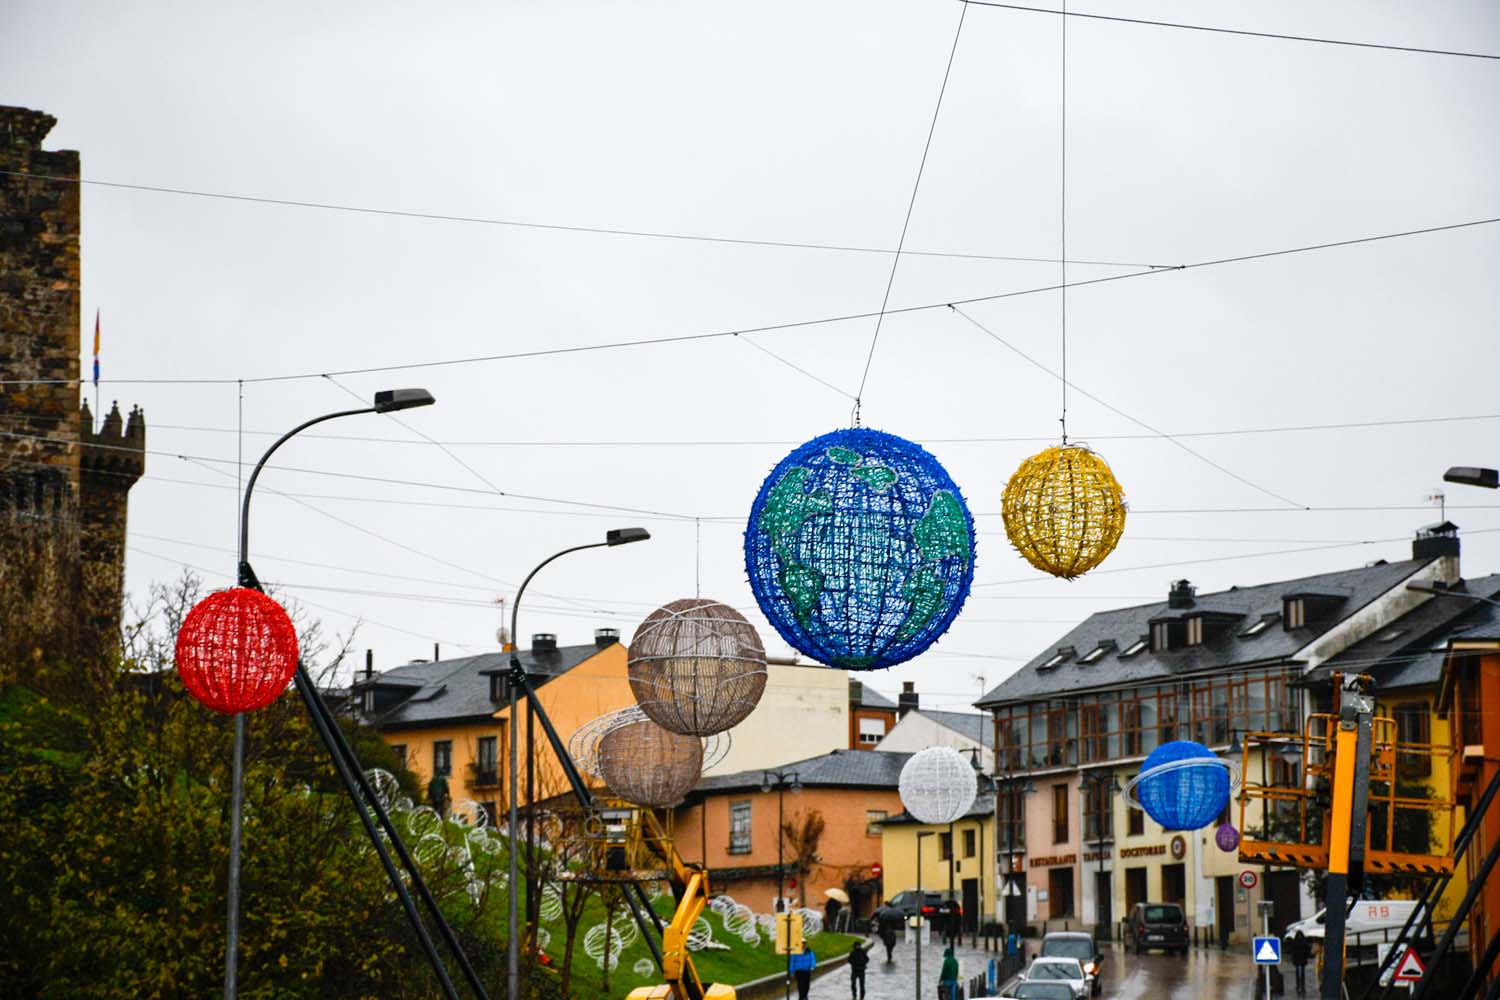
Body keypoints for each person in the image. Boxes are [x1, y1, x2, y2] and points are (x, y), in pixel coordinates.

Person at [1289, 930, 1311, 995]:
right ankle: (1301, 985)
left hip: (1298, 960)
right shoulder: (1304, 942)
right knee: (1301, 973)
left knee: (1298, 973)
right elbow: (1307, 950)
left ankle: (1299, 985)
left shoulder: (1295, 942)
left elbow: (1291, 950)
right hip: (1302, 960)